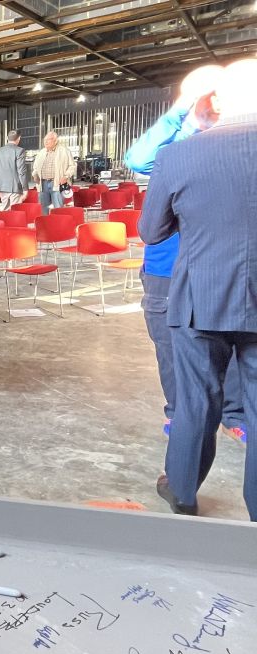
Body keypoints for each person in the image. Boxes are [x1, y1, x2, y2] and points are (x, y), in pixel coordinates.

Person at [138, 58, 257, 520]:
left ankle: (184, 494)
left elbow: (151, 231)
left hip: (199, 300)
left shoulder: (180, 154)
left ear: (218, 101)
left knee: (195, 402)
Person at [125, 63, 247, 446]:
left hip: (222, 264)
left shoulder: (242, 138)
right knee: (173, 349)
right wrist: (184, 113)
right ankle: (181, 415)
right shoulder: (178, 145)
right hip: (168, 269)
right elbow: (138, 160)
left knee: (236, 345)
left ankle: (233, 413)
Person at [31, 131, 76, 215]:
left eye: (49, 139)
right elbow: (35, 167)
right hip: (43, 184)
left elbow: (72, 166)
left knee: (58, 208)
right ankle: (45, 226)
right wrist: (35, 175)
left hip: (57, 183)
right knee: (43, 208)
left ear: (55, 141)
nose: (46, 141)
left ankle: (58, 226)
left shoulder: (64, 151)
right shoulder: (41, 153)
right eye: (45, 140)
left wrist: (66, 176)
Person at [0, 130, 29, 210]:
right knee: (14, 213)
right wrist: (25, 188)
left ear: (8, 138)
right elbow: (22, 172)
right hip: (15, 188)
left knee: (4, 213)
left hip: (2, 188)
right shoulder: (19, 151)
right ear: (19, 138)